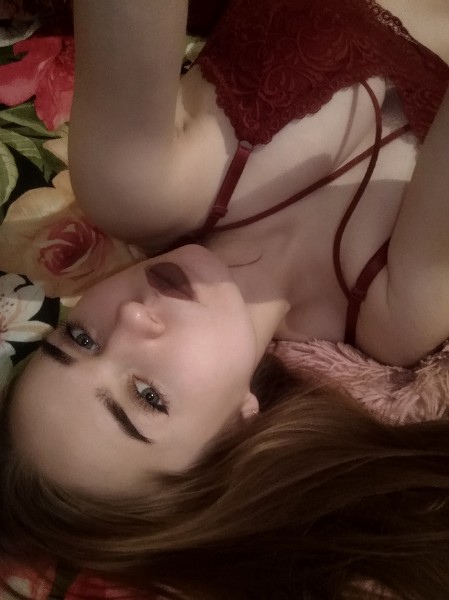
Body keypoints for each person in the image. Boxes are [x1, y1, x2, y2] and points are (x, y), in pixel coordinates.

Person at [1, 0, 449, 598]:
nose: (131, 318)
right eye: (146, 396)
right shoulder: (394, 316)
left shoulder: (131, 188)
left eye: (80, 338)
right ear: (238, 425)